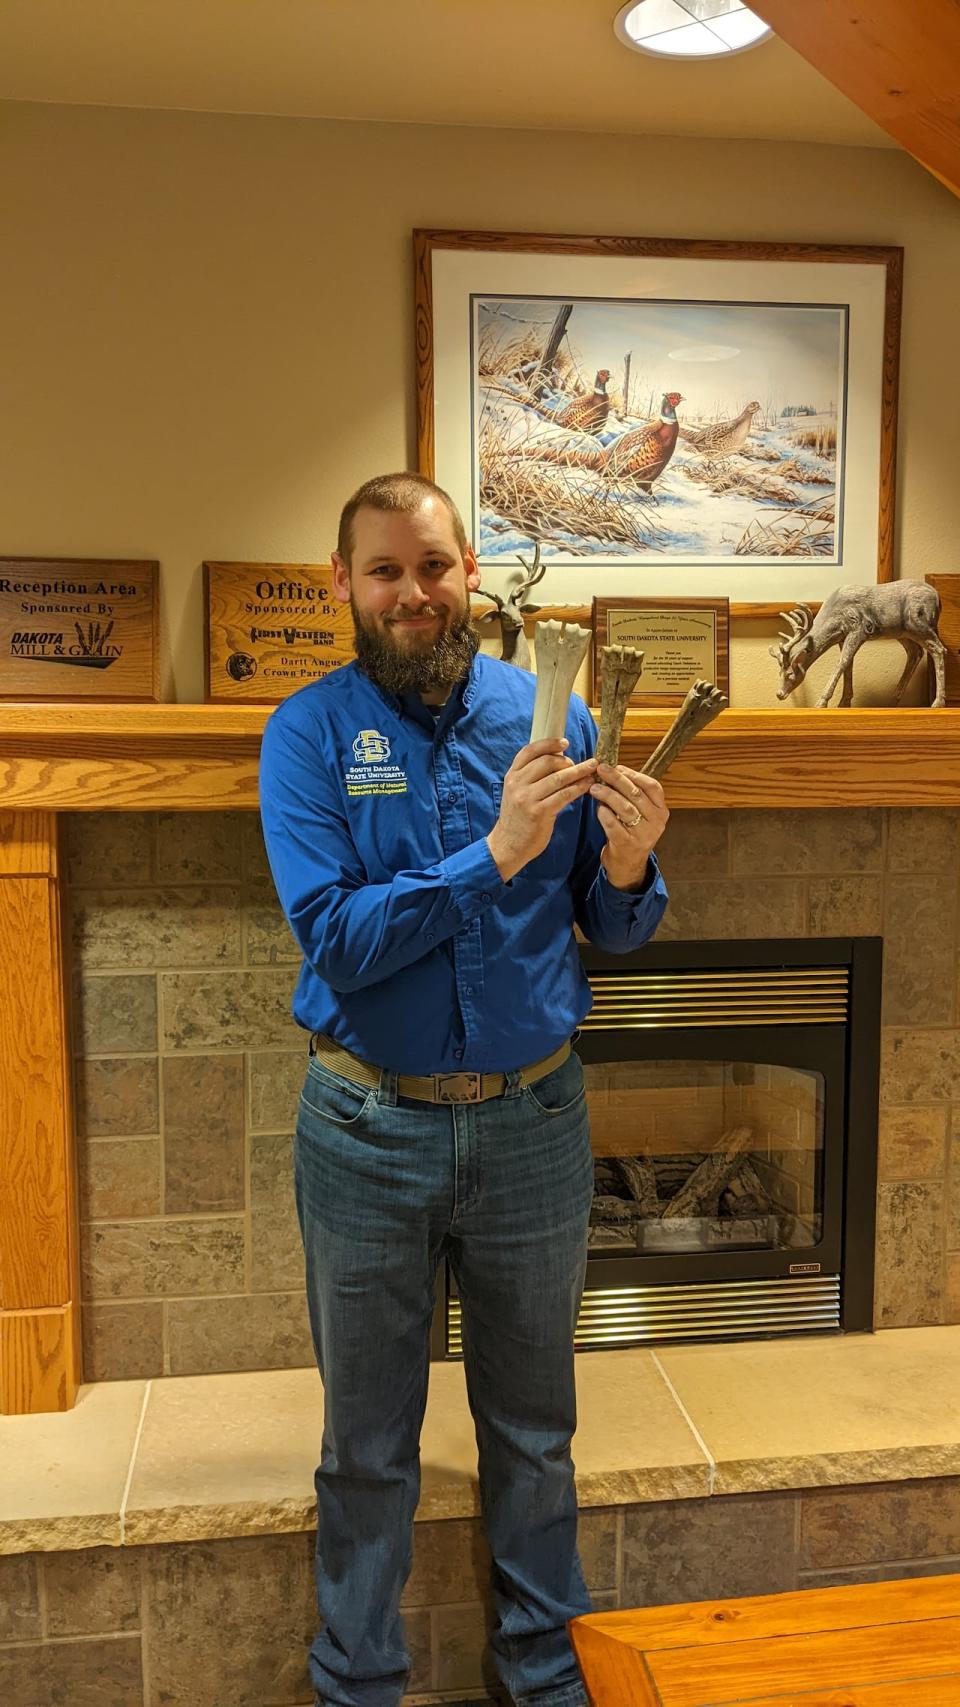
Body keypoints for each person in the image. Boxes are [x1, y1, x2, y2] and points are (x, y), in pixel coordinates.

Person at [258, 472, 669, 1707]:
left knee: (535, 1436)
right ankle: (358, 1685)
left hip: (537, 1125)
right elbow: (336, 935)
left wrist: (635, 863)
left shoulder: (556, 718)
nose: (412, 594)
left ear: (470, 571)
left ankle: (545, 1681)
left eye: (432, 567)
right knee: (369, 1450)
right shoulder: (310, 735)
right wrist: (492, 854)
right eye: (383, 571)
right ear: (344, 585)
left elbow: (613, 925)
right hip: (366, 1130)